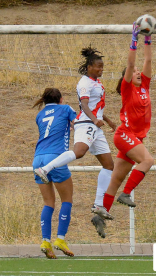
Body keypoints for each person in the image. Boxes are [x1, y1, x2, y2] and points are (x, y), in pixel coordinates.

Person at [34, 46, 117, 238]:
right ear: (89, 67)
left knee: (109, 165)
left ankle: (98, 205)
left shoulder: (97, 82)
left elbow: (97, 107)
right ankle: (45, 170)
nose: (101, 70)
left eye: (102, 67)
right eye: (98, 67)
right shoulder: (84, 83)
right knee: (79, 152)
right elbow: (85, 106)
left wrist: (109, 120)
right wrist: (94, 119)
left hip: (95, 125)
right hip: (86, 123)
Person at [96, 22, 155, 218]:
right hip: (125, 135)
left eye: (139, 71)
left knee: (116, 178)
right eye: (134, 72)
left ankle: (100, 213)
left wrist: (147, 37)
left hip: (135, 138)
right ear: (126, 78)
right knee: (147, 160)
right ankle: (126, 194)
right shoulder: (127, 89)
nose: (138, 72)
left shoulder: (145, 85)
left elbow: (148, 60)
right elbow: (130, 65)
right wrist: (134, 39)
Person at [32, 88, 77, 259]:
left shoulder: (40, 115)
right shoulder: (66, 109)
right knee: (67, 200)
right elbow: (77, 123)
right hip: (56, 157)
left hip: (38, 159)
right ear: (61, 98)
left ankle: (45, 242)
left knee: (48, 202)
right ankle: (60, 239)